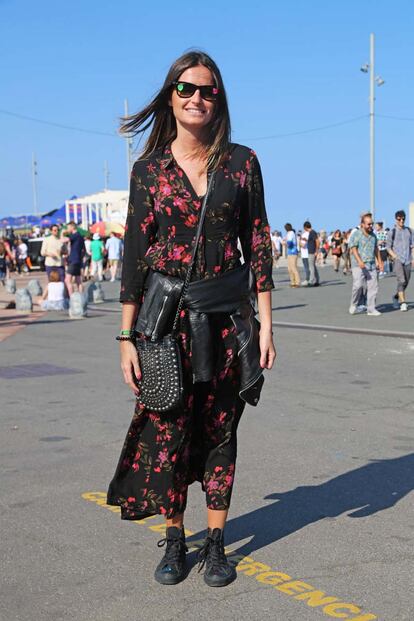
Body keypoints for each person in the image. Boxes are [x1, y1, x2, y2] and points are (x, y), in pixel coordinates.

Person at [106, 50, 276, 588]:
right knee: (169, 430)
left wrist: (267, 324)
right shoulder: (148, 171)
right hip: (166, 325)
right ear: (171, 96)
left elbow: (260, 243)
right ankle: (176, 540)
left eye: (207, 90)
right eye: (186, 89)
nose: (197, 98)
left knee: (221, 431)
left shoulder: (242, 162)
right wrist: (126, 335)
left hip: (227, 322)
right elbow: (135, 255)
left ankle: (218, 544)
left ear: (218, 99)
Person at [349, 213, 383, 316]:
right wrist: (359, 261)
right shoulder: (356, 234)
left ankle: (371, 309)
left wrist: (380, 262)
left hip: (371, 264)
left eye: (371, 224)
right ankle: (354, 304)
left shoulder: (373, 236)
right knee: (358, 285)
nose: (370, 226)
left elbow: (376, 249)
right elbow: (353, 248)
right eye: (368, 224)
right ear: (362, 224)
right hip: (358, 264)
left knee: (373, 287)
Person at [386, 210, 413, 312]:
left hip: (408, 260)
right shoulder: (391, 232)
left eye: (403, 219)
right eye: (399, 219)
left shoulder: (410, 231)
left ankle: (396, 297)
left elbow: (412, 246)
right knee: (401, 281)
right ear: (396, 219)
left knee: (406, 282)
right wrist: (394, 256)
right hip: (397, 260)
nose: (401, 220)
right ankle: (403, 303)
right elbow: (388, 247)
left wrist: (412, 258)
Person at [62, 222, 85, 295]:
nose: (67, 229)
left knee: (67, 280)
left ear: (72, 227)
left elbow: (62, 240)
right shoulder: (80, 236)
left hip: (74, 260)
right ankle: (81, 296)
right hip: (78, 260)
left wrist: (62, 233)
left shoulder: (75, 235)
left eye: (68, 227)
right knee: (78, 280)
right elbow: (83, 250)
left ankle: (72, 297)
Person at [303, 221, 320, 286]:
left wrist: (316, 251)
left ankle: (311, 281)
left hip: (312, 252)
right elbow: (313, 241)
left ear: (305, 227)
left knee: (311, 267)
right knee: (313, 266)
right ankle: (316, 280)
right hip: (311, 251)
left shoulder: (312, 232)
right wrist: (306, 240)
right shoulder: (312, 232)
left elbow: (317, 241)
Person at [284, 223, 300, 287]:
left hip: (293, 252)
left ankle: (297, 282)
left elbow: (290, 242)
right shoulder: (289, 233)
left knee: (293, 268)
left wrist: (285, 244)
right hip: (289, 252)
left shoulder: (291, 233)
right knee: (289, 268)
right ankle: (292, 282)